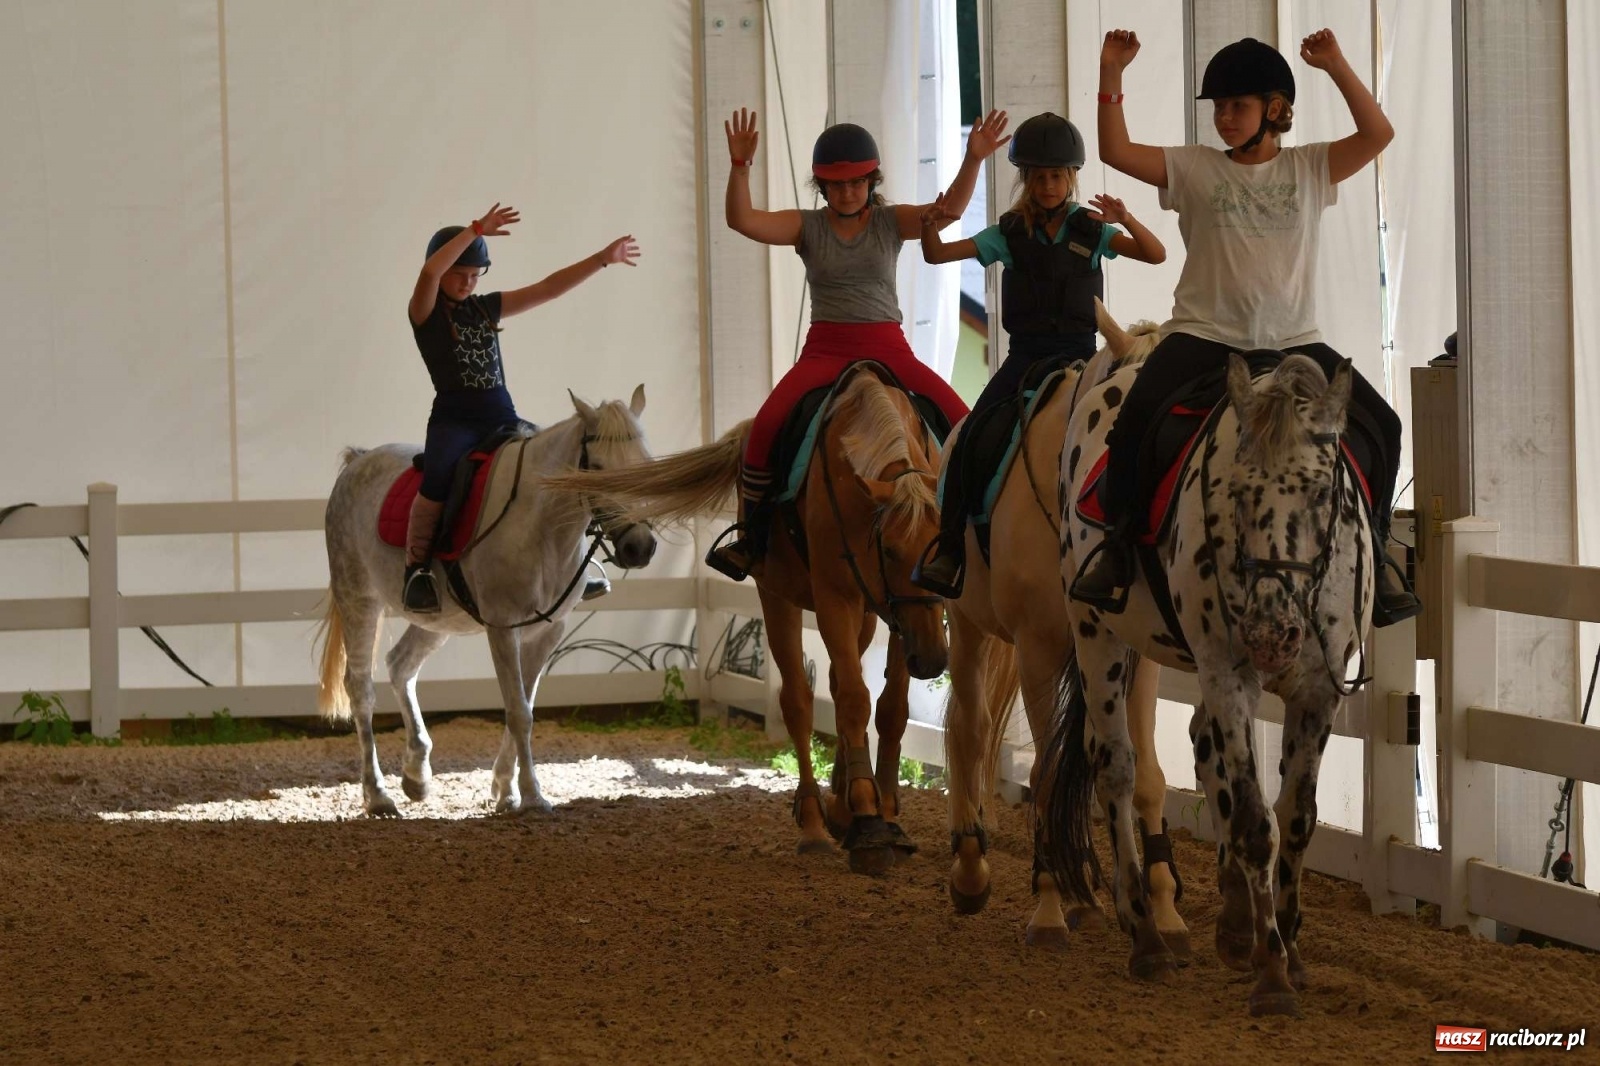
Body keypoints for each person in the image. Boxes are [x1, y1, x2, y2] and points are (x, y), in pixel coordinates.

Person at [1068, 29, 1420, 625]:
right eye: (1219, 108)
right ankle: (1117, 550)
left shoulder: (1311, 166)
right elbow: (1117, 151)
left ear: (1275, 110)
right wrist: (1111, 74)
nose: (1224, 118)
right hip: (1204, 335)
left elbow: (1378, 134)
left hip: (1295, 344)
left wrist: (1334, 65)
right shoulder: (1194, 167)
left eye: (1238, 106)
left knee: (1382, 424)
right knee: (1133, 423)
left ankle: (1378, 551)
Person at [706, 108, 1010, 580]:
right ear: (821, 188)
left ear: (873, 181)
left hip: (889, 346)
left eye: (856, 183)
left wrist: (972, 159)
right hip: (825, 349)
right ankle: (753, 538)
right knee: (765, 426)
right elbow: (742, 220)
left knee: (963, 422)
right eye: (836, 185)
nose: (847, 192)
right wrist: (740, 168)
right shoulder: (807, 226)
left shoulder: (890, 222)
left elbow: (947, 211)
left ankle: (977, 528)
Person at [910, 112, 1166, 597]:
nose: (1048, 185)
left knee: (1131, 431)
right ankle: (949, 545)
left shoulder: (1093, 230)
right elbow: (937, 256)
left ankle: (1127, 545)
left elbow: (1155, 255)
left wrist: (1126, 218)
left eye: (1057, 176)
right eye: (1039, 176)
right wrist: (928, 228)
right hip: (1025, 358)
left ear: (1072, 178)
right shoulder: (1007, 232)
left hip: (1080, 358)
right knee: (970, 437)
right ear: (1025, 180)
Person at [403, 204, 641, 613]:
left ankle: (572, 565)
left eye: (475, 275)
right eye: (459, 274)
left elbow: (548, 288)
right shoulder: (425, 313)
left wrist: (603, 259)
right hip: (455, 421)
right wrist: (476, 229)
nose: (467, 282)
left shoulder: (485, 308)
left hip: (502, 415)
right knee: (438, 479)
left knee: (551, 469)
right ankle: (417, 569)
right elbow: (428, 274)